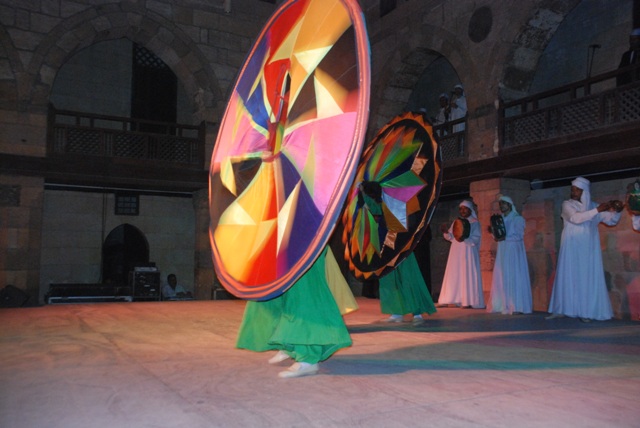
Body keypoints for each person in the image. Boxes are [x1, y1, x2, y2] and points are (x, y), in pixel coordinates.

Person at [236, 246, 354, 378]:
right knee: (274, 286)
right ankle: (289, 345)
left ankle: (307, 357)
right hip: (281, 236)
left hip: (306, 237)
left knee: (304, 289)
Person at [546, 177, 623, 322]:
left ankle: (585, 311)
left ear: (584, 191)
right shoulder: (567, 204)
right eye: (572, 189)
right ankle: (561, 308)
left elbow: (611, 220)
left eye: (577, 190)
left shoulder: (593, 206)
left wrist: (617, 210)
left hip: (588, 250)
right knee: (567, 276)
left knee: (585, 278)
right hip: (571, 248)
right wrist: (597, 210)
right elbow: (575, 218)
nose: (573, 192)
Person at [488, 195, 532, 315]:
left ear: (510, 205)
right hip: (503, 249)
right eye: (500, 204)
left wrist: (504, 237)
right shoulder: (500, 219)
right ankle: (503, 304)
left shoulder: (518, 219)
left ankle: (516, 305)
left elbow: (518, 236)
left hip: (513, 250)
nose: (501, 206)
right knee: (502, 275)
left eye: (504, 203)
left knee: (514, 275)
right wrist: (493, 232)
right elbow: (498, 236)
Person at [437, 200, 485, 309]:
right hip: (456, 251)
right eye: (461, 209)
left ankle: (467, 301)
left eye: (465, 208)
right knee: (454, 274)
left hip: (468, 251)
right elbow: (451, 237)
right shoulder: (456, 222)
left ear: (470, 210)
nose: (462, 211)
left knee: (466, 274)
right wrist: (446, 232)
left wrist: (464, 238)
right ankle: (449, 299)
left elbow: (476, 238)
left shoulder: (475, 222)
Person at [379, 252, 437, 325]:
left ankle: (417, 314)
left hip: (403, 248)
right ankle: (397, 313)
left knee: (409, 278)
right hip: (387, 250)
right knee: (390, 278)